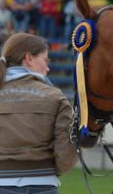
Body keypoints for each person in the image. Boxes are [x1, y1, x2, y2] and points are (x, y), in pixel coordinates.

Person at [0, 33, 77, 194]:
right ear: (29, 58)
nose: (48, 68)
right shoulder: (56, 97)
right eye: (45, 60)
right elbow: (66, 155)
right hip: (43, 183)